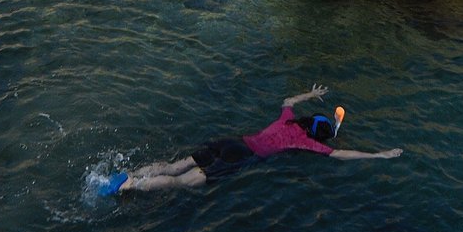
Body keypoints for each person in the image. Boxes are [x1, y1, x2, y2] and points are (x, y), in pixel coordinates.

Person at [102, 84, 402, 194]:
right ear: (317, 136)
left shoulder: (287, 119)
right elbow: (339, 155)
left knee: (174, 164)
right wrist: (378, 155)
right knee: (183, 182)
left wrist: (311, 94)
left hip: (231, 141)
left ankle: (128, 175)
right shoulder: (305, 142)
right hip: (241, 158)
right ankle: (132, 187)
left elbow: (287, 99)